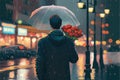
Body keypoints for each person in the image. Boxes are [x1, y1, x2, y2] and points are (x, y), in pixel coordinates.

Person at [36, 15, 78, 80]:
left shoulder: (43, 42)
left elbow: (39, 63)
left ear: (50, 25)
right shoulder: (68, 42)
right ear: (60, 24)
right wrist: (72, 45)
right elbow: (74, 59)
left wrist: (41, 77)